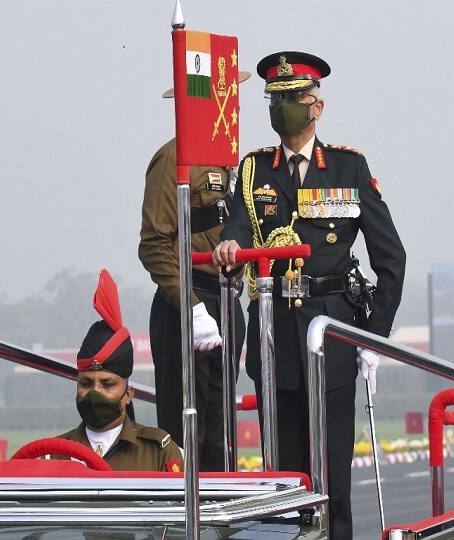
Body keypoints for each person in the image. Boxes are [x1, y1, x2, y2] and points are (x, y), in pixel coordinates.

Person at [213, 51, 405, 539]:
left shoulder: (348, 168)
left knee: (332, 481)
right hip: (275, 336)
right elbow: (236, 223)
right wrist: (231, 243)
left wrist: (372, 339)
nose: (282, 109)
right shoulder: (255, 169)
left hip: (331, 338)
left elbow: (391, 259)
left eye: (292, 99)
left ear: (316, 105)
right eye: (274, 100)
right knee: (283, 481)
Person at [138, 74, 250, 471]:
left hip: (226, 298)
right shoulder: (174, 158)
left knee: (220, 430)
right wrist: (191, 307)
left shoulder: (232, 162)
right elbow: (154, 245)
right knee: (187, 432)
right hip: (188, 302)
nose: (231, 106)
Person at [57, 269, 184, 472]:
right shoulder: (53, 454)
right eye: (86, 383)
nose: (95, 393)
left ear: (128, 394)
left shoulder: (159, 451)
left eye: (107, 384)